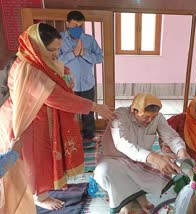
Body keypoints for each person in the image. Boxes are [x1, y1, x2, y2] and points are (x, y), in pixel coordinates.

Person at [0, 23, 115, 211]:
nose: (56, 54)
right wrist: (94, 106)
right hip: (27, 121)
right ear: (38, 47)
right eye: (52, 50)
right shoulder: (28, 70)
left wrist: (66, 76)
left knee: (42, 157)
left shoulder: (35, 60)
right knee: (34, 161)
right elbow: (55, 96)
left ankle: (43, 189)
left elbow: (58, 76)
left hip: (40, 118)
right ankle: (39, 196)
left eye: (58, 49)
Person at [94, 93, 189, 214]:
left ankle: (138, 196)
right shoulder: (120, 115)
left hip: (141, 159)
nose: (150, 120)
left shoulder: (157, 117)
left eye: (153, 117)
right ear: (134, 111)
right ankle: (126, 201)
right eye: (146, 117)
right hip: (114, 158)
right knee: (104, 172)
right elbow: (122, 143)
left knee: (172, 163)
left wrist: (182, 152)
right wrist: (154, 158)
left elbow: (171, 137)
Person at [59, 10, 104, 140]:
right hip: (68, 83)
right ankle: (68, 136)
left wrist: (84, 53)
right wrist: (73, 53)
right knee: (68, 112)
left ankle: (89, 135)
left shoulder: (89, 40)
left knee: (89, 110)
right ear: (67, 24)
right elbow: (54, 61)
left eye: (80, 26)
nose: (77, 29)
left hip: (87, 82)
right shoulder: (60, 40)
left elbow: (100, 58)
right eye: (74, 26)